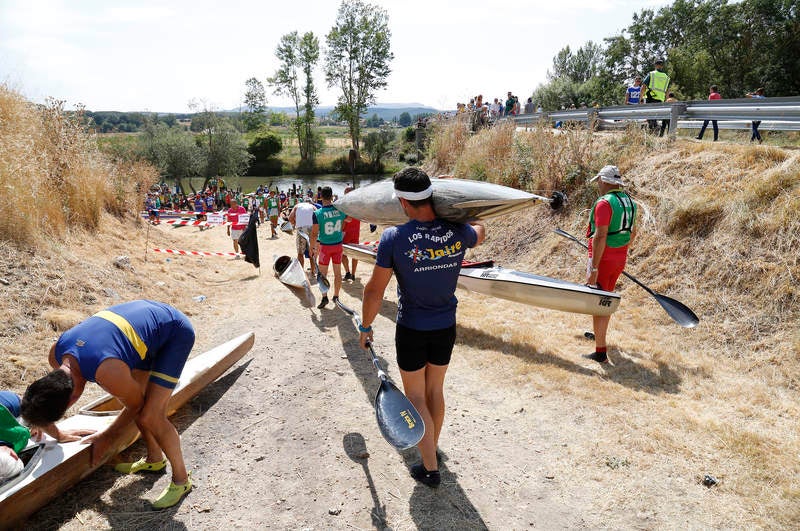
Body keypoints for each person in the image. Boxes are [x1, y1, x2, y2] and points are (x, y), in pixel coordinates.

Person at [359, 168, 485, 488]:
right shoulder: (458, 231)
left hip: (412, 329)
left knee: (416, 396)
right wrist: (461, 207)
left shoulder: (394, 238)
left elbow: (374, 291)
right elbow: (480, 230)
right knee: (434, 391)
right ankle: (432, 447)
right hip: (445, 326)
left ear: (403, 202)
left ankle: (430, 468)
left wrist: (365, 325)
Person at [20, 300, 196, 509]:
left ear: (73, 400)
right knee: (141, 404)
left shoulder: (108, 372)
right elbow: (44, 396)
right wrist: (50, 428)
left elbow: (136, 406)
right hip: (138, 332)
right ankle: (154, 459)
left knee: (150, 414)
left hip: (173, 330)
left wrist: (108, 436)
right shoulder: (56, 355)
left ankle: (181, 481)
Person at [584, 166, 638, 364]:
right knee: (605, 299)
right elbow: (633, 233)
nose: (598, 184)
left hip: (603, 260)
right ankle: (599, 335)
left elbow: (600, 237)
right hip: (619, 259)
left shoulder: (604, 203)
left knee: (599, 303)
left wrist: (594, 268)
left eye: (599, 180)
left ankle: (600, 352)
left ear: (605, 181)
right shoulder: (630, 202)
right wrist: (620, 251)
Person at [310, 186, 347, 309]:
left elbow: (314, 234)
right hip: (338, 246)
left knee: (322, 274)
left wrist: (312, 248)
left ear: (320, 197)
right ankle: (336, 296)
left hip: (325, 247)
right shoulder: (340, 210)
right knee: (338, 273)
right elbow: (349, 219)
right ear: (332, 196)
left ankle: (324, 297)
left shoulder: (317, 213)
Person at [287, 197, 318, 277]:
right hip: (311, 228)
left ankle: (301, 273)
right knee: (312, 251)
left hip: (301, 229)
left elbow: (290, 218)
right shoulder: (313, 207)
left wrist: (295, 223)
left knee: (300, 253)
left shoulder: (297, 206)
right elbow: (318, 218)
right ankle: (313, 272)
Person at [642, 59, 670, 132]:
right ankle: (654, 130)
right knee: (654, 116)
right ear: (662, 66)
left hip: (650, 98)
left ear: (655, 65)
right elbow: (667, 91)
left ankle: (654, 129)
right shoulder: (666, 77)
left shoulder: (652, 74)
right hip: (660, 99)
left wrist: (640, 97)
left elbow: (644, 86)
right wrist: (666, 101)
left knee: (650, 116)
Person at [341, 186, 361, 282]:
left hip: (346, 232)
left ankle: (349, 273)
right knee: (354, 253)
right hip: (354, 231)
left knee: (343, 253)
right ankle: (351, 273)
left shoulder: (346, 204)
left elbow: (346, 219)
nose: (345, 194)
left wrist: (340, 228)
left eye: (346, 192)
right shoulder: (358, 204)